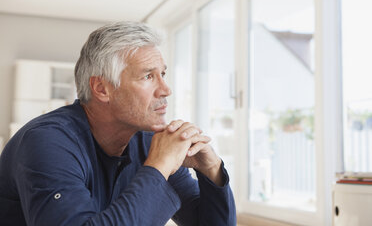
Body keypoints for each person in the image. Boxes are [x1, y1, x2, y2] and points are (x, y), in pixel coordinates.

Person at [0, 21, 236, 225]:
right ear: (102, 89)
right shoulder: (47, 142)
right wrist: (158, 167)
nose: (166, 89)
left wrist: (212, 169)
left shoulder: (147, 142)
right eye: (147, 76)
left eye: (162, 74)